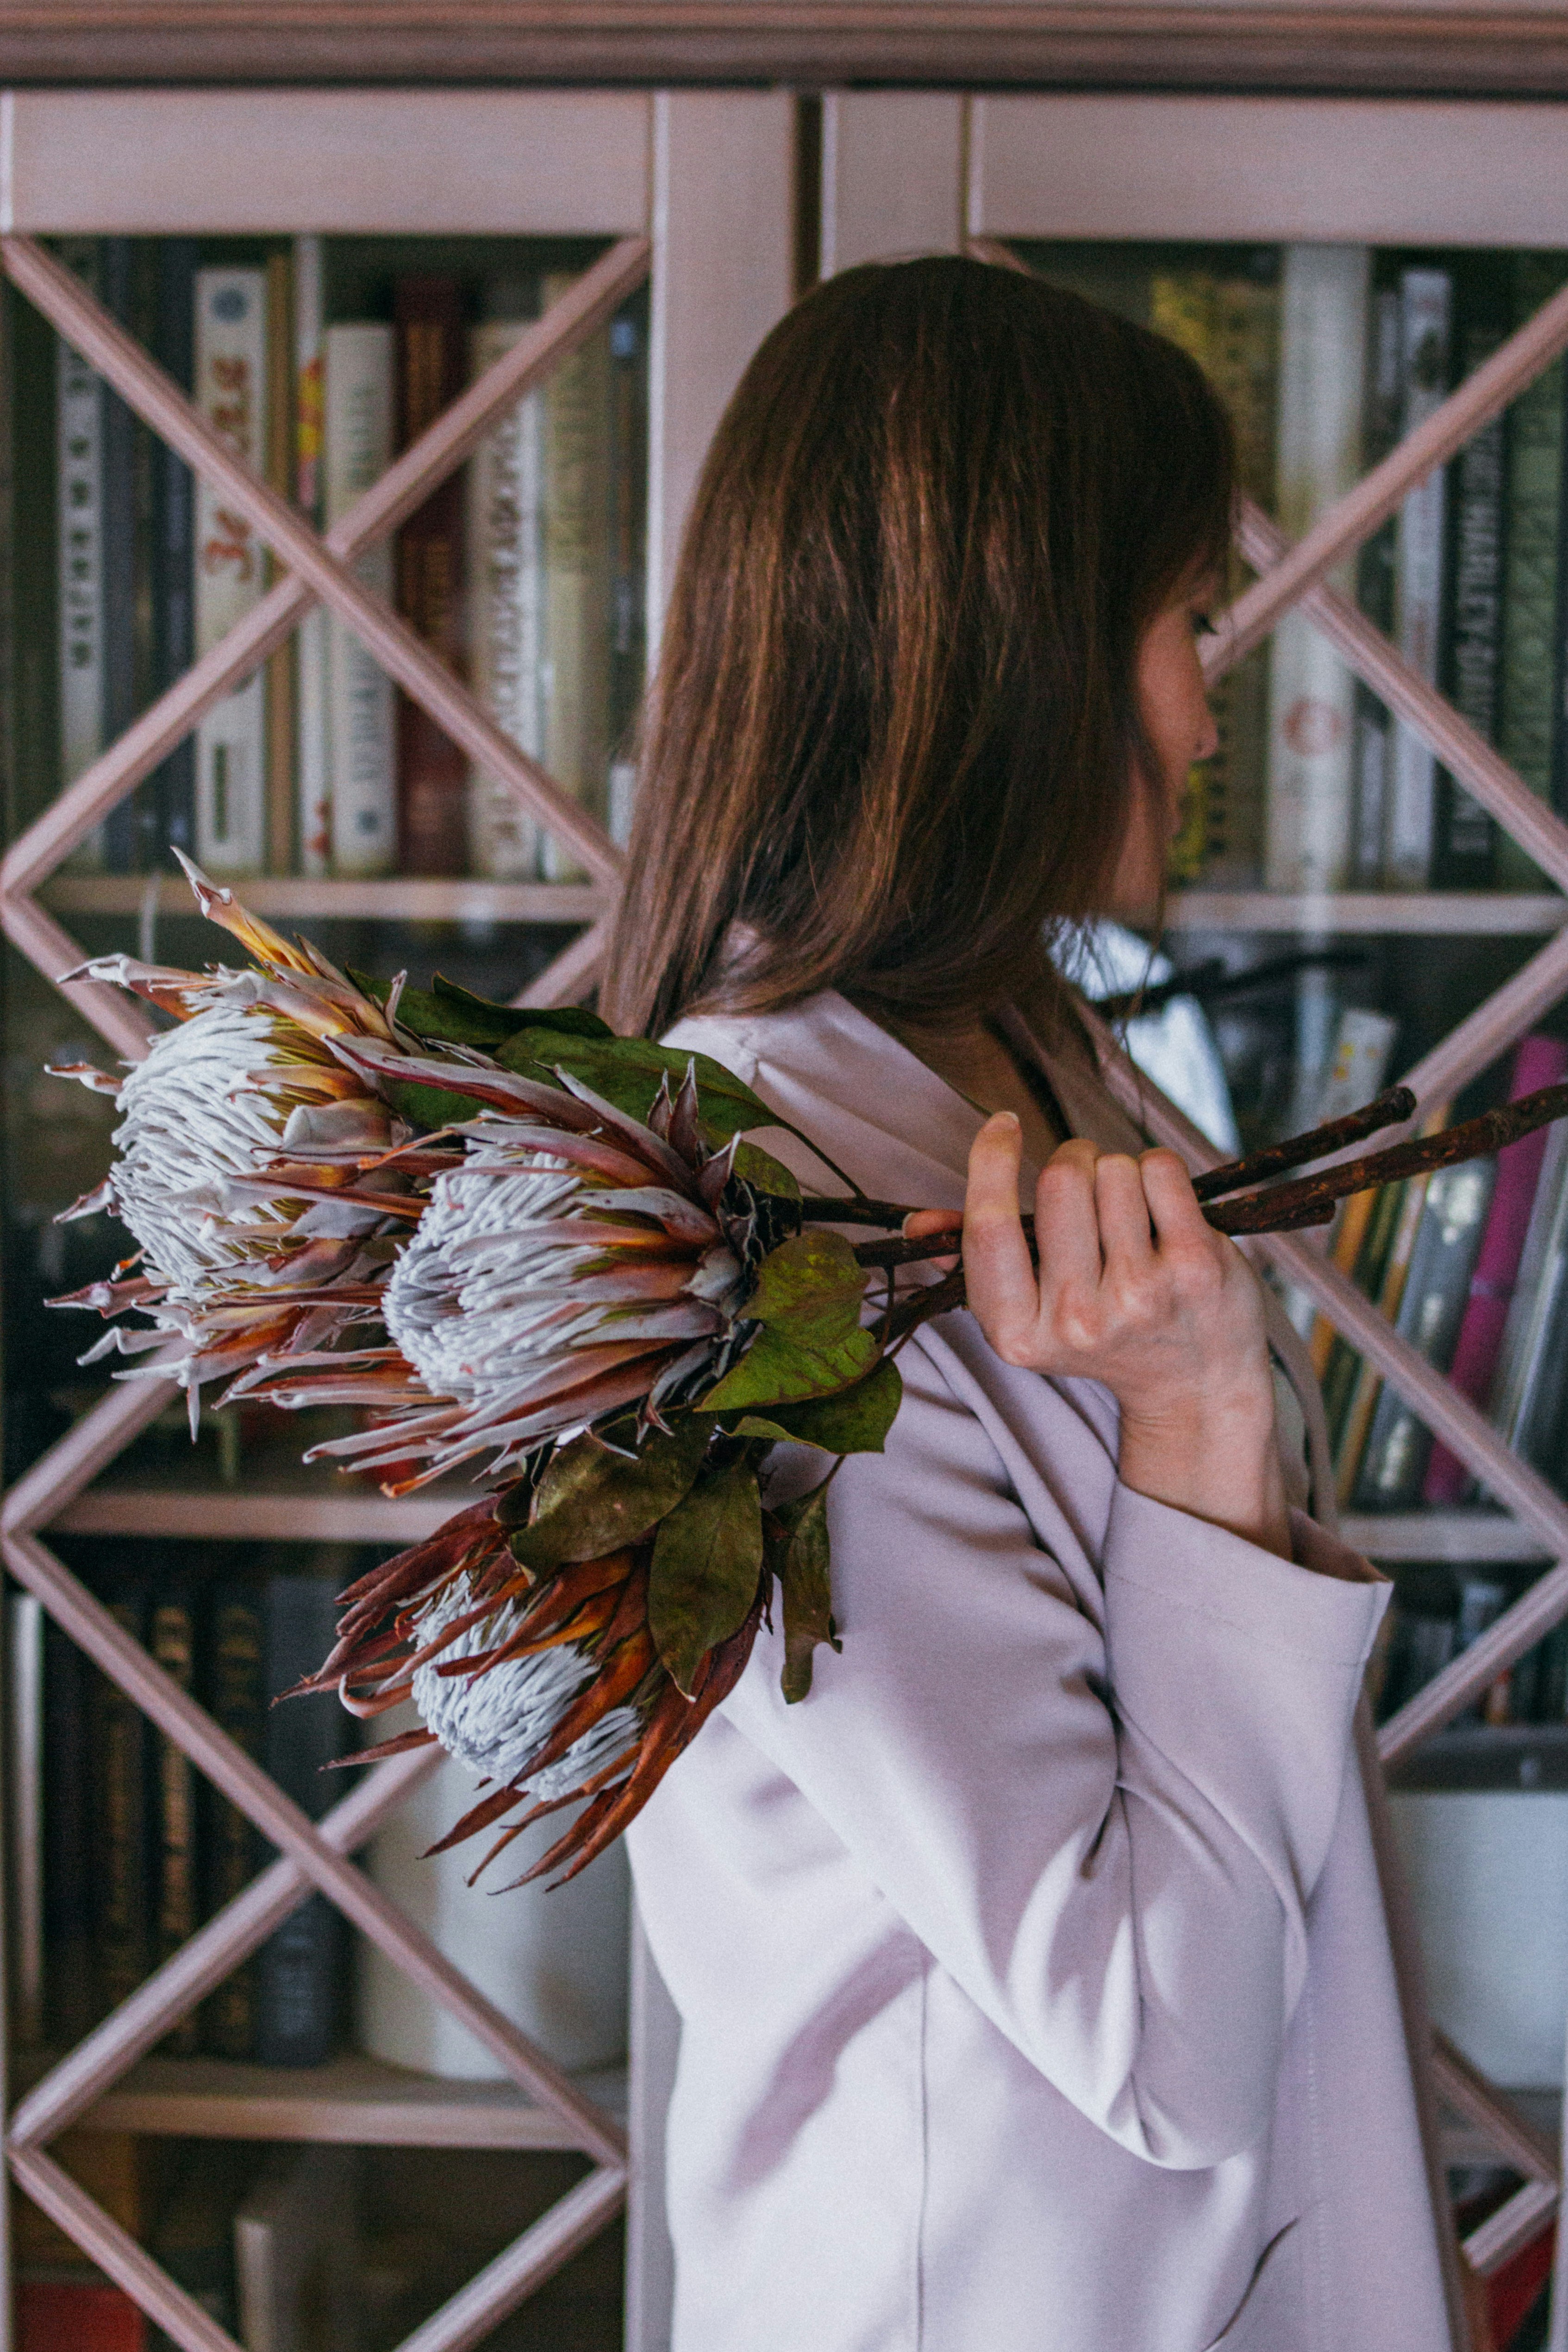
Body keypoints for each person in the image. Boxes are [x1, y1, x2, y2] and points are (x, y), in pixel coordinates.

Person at [605, 256, 1458, 2352]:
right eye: (1190, 623)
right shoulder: (774, 1226)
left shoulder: (1035, 1064)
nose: (1207, 699)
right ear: (1021, 662)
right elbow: (1151, 2028)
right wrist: (1198, 1431)